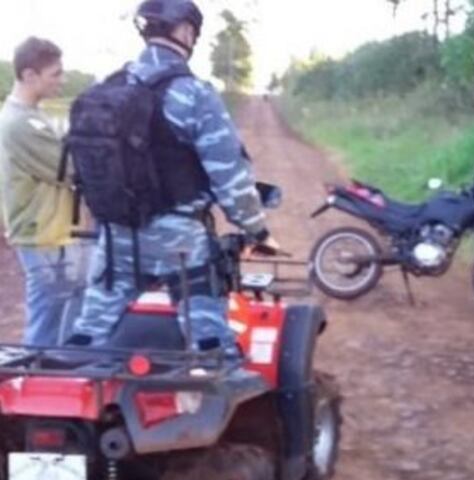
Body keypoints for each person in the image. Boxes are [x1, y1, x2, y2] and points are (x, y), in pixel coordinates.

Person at [67, 0, 278, 355]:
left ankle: (71, 390)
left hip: (115, 235)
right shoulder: (193, 94)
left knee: (88, 336)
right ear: (184, 31)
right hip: (179, 243)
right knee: (209, 341)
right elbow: (230, 178)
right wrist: (257, 230)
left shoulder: (108, 88)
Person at [0, 37, 87, 346]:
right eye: (55, 74)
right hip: (44, 237)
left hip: (53, 235)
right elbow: (74, 169)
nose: (61, 81)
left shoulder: (33, 117)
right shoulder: (20, 124)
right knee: (48, 329)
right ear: (28, 75)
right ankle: (35, 387)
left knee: (63, 321)